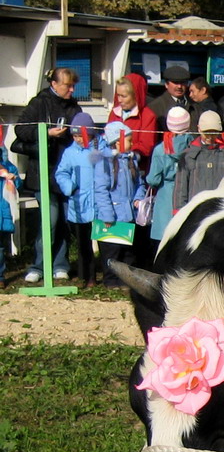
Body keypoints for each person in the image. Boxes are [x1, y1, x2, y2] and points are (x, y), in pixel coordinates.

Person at [15, 66, 82, 283]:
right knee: (49, 221)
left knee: (63, 222)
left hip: (67, 172)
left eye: (73, 85)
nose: (71, 90)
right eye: (67, 85)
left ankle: (60, 265)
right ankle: (39, 265)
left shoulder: (74, 106)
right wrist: (46, 133)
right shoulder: (39, 103)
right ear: (54, 84)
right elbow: (21, 130)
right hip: (43, 172)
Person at [95, 122, 146, 287]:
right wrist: (107, 215)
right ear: (117, 141)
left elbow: (139, 183)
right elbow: (101, 190)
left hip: (128, 213)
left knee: (127, 251)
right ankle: (110, 281)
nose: (132, 144)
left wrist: (138, 198)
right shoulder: (105, 162)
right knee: (111, 251)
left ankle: (125, 280)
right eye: (129, 140)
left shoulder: (131, 161)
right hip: (112, 216)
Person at [55, 112, 101, 285]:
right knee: (83, 245)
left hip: (98, 203)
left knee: (104, 242)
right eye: (74, 135)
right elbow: (61, 173)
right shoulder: (69, 153)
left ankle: (107, 275)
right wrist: (69, 187)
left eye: (81, 135)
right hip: (79, 203)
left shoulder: (99, 148)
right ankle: (86, 277)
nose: (78, 139)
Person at [146, 106, 195, 249]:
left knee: (163, 242)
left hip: (165, 196)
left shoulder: (161, 149)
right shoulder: (193, 146)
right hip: (187, 193)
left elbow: (153, 179)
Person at [173, 111, 224, 210]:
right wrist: (178, 211)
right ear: (199, 129)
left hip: (220, 209)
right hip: (195, 209)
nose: (210, 137)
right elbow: (181, 187)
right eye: (206, 133)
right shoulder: (188, 155)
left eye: (214, 133)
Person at [0, 125, 22, 288]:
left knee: (0, 248)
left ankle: (0, 277)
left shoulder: (8, 167)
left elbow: (18, 184)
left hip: (3, 214)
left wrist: (13, 179)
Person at [148, 64, 191, 132]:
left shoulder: (194, 105)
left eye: (183, 82)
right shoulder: (155, 107)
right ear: (166, 84)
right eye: (175, 82)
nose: (179, 86)